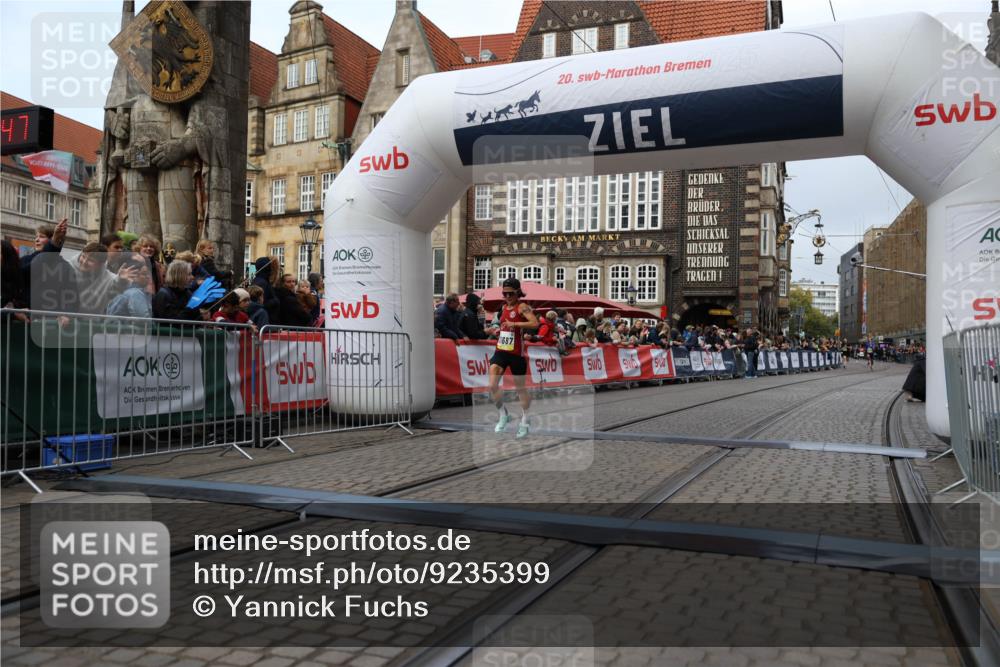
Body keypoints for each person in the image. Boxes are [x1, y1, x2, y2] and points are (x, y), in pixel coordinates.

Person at [489, 277, 538, 438]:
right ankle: (504, 414)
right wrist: (498, 330)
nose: (507, 296)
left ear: (517, 293)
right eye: (504, 293)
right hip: (502, 350)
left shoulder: (522, 307)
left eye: (510, 293)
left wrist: (515, 325)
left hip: (516, 353)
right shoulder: (503, 307)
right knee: (492, 384)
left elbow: (534, 323)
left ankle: (525, 419)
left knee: (520, 390)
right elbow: (503, 325)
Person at [70, 242, 135, 314]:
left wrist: (121, 281)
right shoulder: (68, 267)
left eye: (91, 260)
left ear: (100, 264)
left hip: (90, 322)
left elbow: (115, 291)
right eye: (83, 256)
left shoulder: (107, 278)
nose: (84, 262)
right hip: (63, 319)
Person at [106, 253, 153, 318]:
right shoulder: (135, 293)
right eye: (144, 274)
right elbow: (144, 321)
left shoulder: (120, 291)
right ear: (133, 275)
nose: (148, 277)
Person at [252, 257, 281, 323]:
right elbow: (259, 303)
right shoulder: (262, 282)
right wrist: (274, 301)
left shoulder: (262, 280)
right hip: (266, 321)